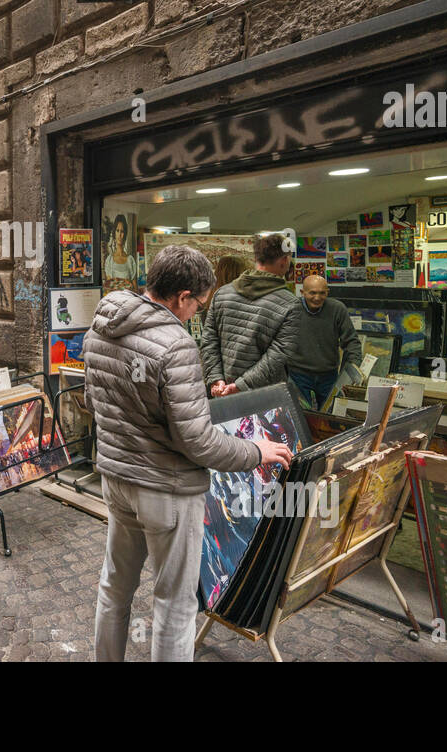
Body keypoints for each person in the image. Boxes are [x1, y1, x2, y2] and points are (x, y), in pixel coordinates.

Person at [83, 244, 293, 662]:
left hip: (117, 480)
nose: (197, 312)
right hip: (166, 491)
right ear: (182, 297)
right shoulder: (176, 345)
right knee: (176, 606)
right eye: (198, 303)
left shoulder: (101, 326)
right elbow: (197, 439)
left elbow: (94, 403)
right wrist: (255, 449)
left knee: (114, 587)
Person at [199, 233, 301, 397]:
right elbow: (277, 357)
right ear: (284, 261)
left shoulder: (221, 293)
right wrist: (240, 385)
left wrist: (216, 379)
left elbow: (209, 341)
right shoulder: (291, 303)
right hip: (265, 395)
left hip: (222, 391)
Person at [287, 275, 363, 409]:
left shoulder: (337, 309)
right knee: (301, 415)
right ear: (302, 292)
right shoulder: (291, 309)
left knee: (330, 413)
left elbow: (352, 342)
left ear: (327, 292)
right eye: (312, 293)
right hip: (298, 374)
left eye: (322, 293)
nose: (317, 297)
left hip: (329, 375)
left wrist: (352, 371)